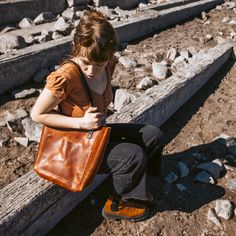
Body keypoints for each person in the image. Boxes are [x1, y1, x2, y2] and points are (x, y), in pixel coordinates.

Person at [31, 9, 164, 222]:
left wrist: (90, 122)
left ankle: (145, 181)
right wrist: (81, 123)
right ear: (76, 49)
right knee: (132, 155)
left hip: (95, 132)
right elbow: (37, 114)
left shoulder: (108, 63)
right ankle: (118, 203)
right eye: (85, 64)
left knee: (153, 134)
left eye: (99, 64)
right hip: (74, 145)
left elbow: (100, 73)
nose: (92, 71)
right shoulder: (65, 76)